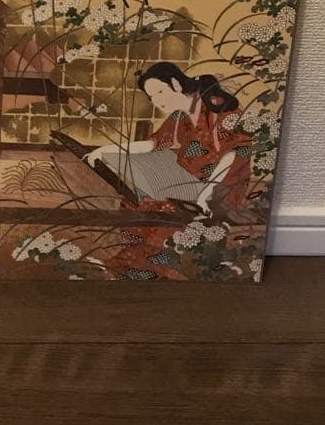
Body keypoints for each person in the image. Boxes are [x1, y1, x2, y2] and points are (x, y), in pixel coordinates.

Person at [88, 62, 252, 280]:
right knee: (136, 201)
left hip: (222, 184)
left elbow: (236, 152)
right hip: (188, 182)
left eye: (159, 92)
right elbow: (153, 144)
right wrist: (105, 150)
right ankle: (128, 263)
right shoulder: (179, 116)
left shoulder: (216, 106)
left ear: (175, 83)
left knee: (168, 209)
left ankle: (147, 271)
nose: (157, 100)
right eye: (152, 97)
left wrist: (207, 192)